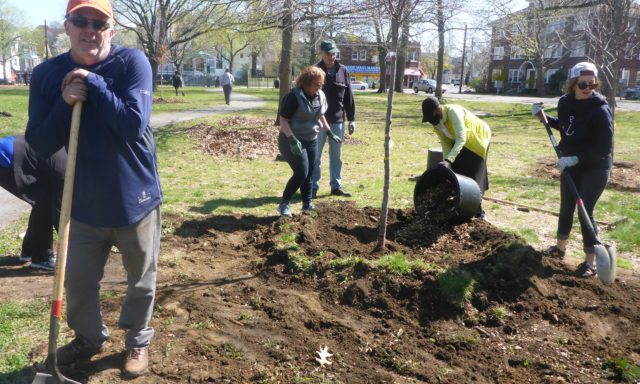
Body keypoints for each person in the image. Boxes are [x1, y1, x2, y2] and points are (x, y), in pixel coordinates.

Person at [25, 0, 162, 378]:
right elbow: (38, 144)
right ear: (66, 26)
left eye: (99, 23)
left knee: (140, 281)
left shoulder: (131, 63)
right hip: (82, 202)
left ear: (111, 30)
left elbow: (133, 124)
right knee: (79, 282)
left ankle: (137, 340)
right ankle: (88, 338)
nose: (90, 29)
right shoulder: (47, 75)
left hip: (135, 200)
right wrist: (65, 102)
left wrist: (94, 83)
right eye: (81, 21)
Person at [531, 61, 613, 278]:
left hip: (595, 166)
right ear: (573, 83)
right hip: (570, 161)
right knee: (566, 205)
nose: (588, 89)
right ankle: (560, 248)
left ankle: (591, 262)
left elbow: (604, 148)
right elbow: (569, 126)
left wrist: (576, 159)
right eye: (583, 84)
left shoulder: (601, 110)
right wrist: (546, 119)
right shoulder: (565, 102)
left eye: (592, 84)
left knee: (584, 209)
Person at [277, 66, 342, 217]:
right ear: (306, 82)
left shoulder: (319, 96)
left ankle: (307, 205)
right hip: (290, 140)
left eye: (321, 84)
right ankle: (284, 204)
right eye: (316, 84)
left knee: (310, 173)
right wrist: (292, 139)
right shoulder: (293, 97)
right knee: (301, 172)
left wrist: (328, 131)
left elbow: (319, 115)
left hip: (311, 139)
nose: (319, 87)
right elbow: (283, 121)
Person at [0, 135, 66, 271]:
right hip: (7, 158)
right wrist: (77, 249)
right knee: (44, 205)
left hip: (14, 148)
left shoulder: (70, 158)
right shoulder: (68, 174)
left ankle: (30, 252)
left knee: (43, 202)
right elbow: (61, 214)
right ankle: (42, 258)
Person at [421, 96, 492, 217]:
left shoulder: (453, 112)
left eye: (431, 115)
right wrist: (446, 162)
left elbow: (461, 138)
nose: (431, 120)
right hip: (460, 143)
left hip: (478, 139)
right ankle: (459, 208)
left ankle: (479, 213)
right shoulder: (436, 123)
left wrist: (450, 159)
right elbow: (445, 145)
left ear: (437, 109)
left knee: (473, 176)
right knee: (457, 173)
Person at [312, 39, 356, 198]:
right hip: (318, 121)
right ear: (321, 53)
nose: (332, 56)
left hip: (338, 121)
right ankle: (313, 187)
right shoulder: (315, 71)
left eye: (334, 53)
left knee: (336, 156)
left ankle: (336, 186)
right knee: (315, 155)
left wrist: (352, 119)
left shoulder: (343, 70)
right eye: (328, 53)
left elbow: (348, 96)